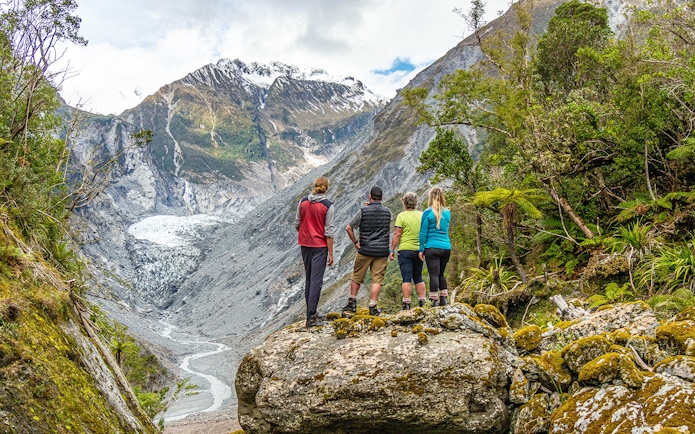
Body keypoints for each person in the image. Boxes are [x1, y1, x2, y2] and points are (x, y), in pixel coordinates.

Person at [343, 186, 392, 316]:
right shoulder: (388, 212)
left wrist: (355, 243)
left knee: (357, 276)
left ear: (370, 197)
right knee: (377, 279)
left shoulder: (362, 211)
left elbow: (349, 228)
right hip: (381, 251)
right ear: (382, 198)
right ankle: (373, 306)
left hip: (365, 249)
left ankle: (352, 302)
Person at [295, 176, 335, 327]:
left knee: (309, 279)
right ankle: (311, 317)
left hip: (305, 244)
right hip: (319, 246)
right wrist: (331, 253)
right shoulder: (328, 205)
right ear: (327, 188)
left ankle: (310, 312)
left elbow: (297, 223)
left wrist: (305, 233)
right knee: (316, 281)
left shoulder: (303, 201)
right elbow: (329, 231)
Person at [389, 192, 426, 310]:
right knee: (418, 277)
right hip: (419, 250)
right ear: (416, 202)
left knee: (406, 278)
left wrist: (391, 249)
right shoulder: (422, 215)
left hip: (405, 250)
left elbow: (397, 234)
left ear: (404, 203)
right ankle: (422, 301)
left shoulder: (401, 216)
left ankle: (406, 304)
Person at [419, 187, 452, 307]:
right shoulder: (447, 213)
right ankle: (444, 299)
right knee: (441, 274)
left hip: (432, 247)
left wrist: (421, 249)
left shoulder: (427, 213)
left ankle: (434, 300)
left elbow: (423, 233)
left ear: (430, 197)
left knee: (433, 274)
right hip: (446, 247)